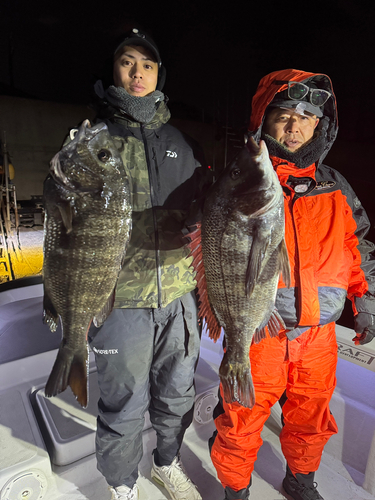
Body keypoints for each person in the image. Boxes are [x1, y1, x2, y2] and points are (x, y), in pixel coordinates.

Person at [209, 69, 375, 500]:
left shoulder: (335, 186)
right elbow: (211, 249)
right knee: (241, 415)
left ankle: (300, 480)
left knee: (310, 418)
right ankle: (236, 489)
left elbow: (358, 248)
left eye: (306, 118)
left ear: (320, 126)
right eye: (284, 115)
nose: (294, 126)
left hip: (319, 337)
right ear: (264, 120)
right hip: (261, 328)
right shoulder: (245, 181)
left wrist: (366, 300)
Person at [83, 27, 210, 500]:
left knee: (177, 394)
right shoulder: (92, 140)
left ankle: (167, 463)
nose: (137, 74)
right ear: (114, 69)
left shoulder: (183, 142)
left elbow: (204, 213)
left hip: (179, 296)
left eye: (148, 65)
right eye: (127, 62)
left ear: (160, 75)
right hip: (119, 299)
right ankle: (122, 484)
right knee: (123, 402)